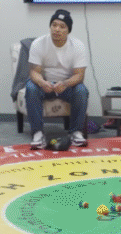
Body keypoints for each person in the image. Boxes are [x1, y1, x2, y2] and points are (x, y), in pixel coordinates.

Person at [25, 8, 89, 149]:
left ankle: (76, 132)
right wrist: (42, 82)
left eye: (62, 26)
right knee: (30, 87)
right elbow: (34, 72)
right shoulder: (38, 43)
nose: (57, 29)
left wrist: (65, 83)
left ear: (68, 30)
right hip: (44, 84)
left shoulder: (78, 45)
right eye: (54, 25)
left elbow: (79, 75)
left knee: (81, 90)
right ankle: (37, 133)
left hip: (67, 85)